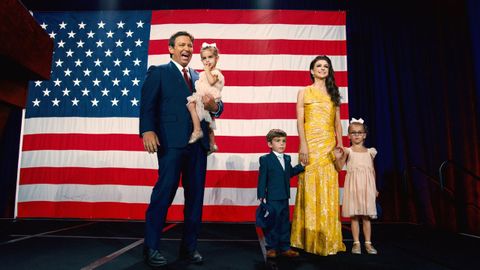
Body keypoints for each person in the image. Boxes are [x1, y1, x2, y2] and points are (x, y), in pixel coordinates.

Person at [139, 31, 224, 267]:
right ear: (171, 49)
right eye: (182, 44)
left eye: (190, 45)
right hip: (171, 143)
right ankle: (152, 248)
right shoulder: (159, 72)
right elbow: (147, 104)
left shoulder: (201, 75)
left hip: (198, 146)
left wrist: (214, 105)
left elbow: (218, 105)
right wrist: (147, 130)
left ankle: (189, 248)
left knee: (195, 198)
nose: (187, 48)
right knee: (164, 194)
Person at [291, 55, 346, 256]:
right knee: (310, 188)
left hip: (329, 147)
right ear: (312, 70)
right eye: (318, 66)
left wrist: (340, 143)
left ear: (329, 71)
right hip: (311, 146)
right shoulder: (304, 92)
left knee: (328, 189)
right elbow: (300, 120)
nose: (322, 69)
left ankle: (328, 239)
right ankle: (307, 239)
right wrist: (303, 145)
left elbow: (337, 122)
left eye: (326, 66)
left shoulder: (334, 93)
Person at [334, 118, 379, 255]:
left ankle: (368, 243)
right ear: (349, 136)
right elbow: (339, 167)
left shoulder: (370, 151)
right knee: (354, 217)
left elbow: (372, 170)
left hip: (367, 187)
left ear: (364, 135)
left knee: (366, 216)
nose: (357, 135)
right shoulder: (348, 151)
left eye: (360, 132)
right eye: (353, 133)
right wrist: (337, 157)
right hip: (353, 186)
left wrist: (375, 188)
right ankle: (356, 243)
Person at [257, 129, 305, 258]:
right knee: (273, 222)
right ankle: (271, 247)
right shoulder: (265, 159)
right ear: (270, 144)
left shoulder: (287, 158)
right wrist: (261, 195)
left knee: (284, 222)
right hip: (272, 197)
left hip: (284, 196)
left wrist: (301, 166)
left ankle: (285, 247)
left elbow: (289, 173)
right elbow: (263, 178)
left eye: (284, 141)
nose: (282, 144)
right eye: (277, 141)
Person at [186, 42, 224, 155]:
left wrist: (215, 107)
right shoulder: (202, 74)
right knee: (209, 124)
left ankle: (197, 130)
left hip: (209, 98)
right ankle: (212, 144)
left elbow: (212, 82)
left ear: (217, 58)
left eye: (210, 57)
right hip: (202, 98)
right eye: (204, 58)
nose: (207, 60)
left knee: (191, 104)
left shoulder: (215, 72)